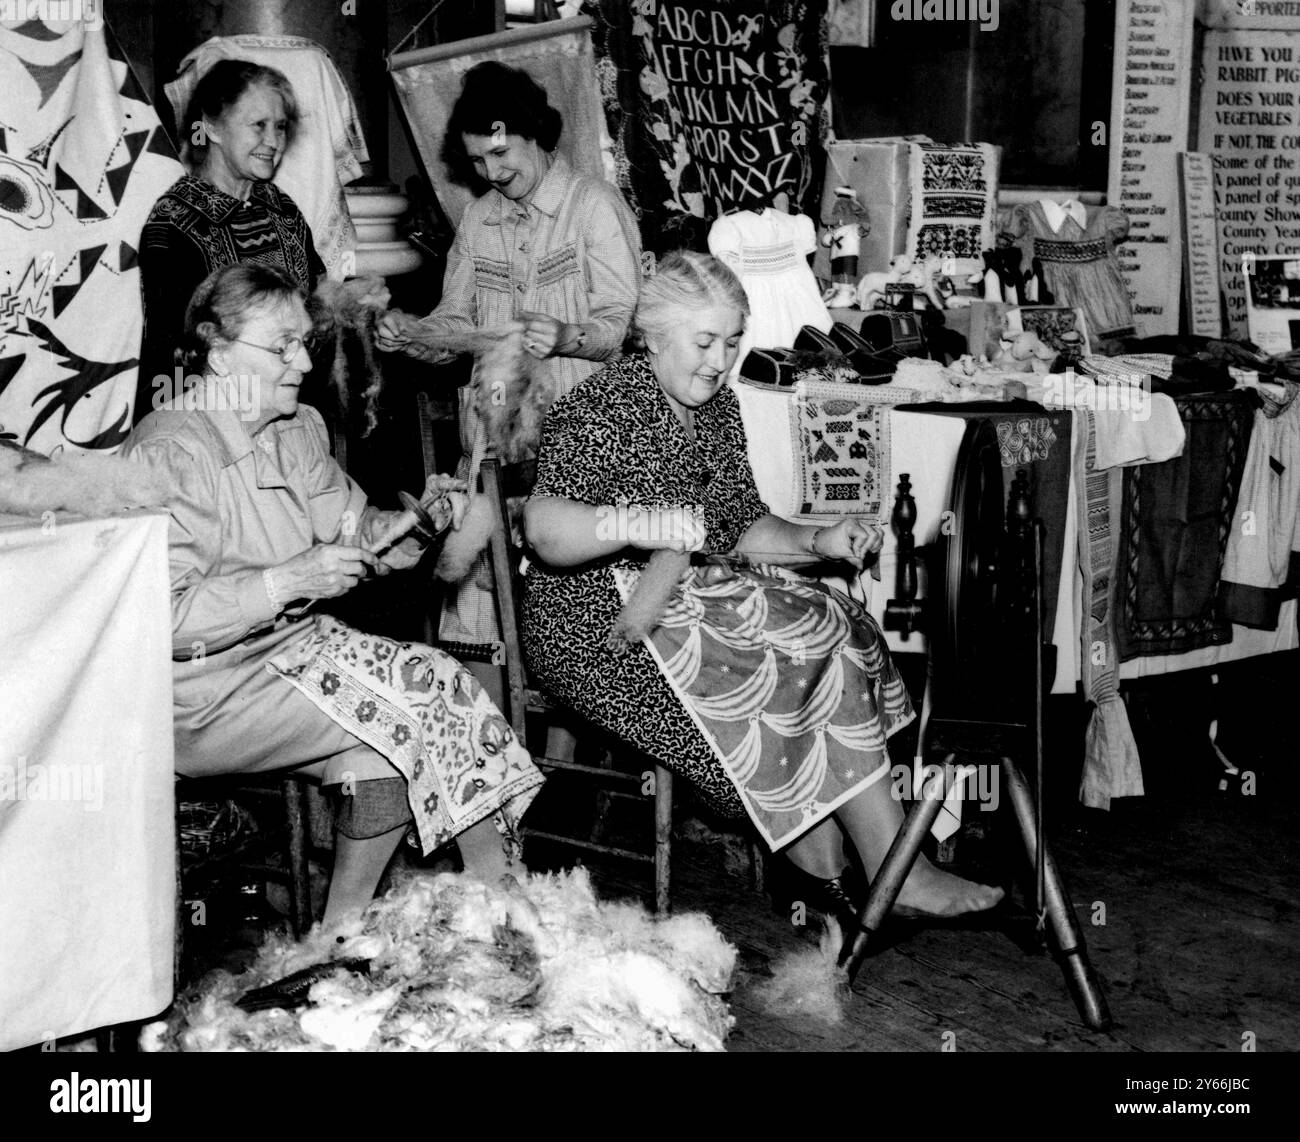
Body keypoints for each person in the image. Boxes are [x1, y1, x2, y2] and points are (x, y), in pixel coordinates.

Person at [521, 251, 1003, 927]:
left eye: (731, 342)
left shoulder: (715, 407)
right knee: (780, 653)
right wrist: (635, 522)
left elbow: (741, 522)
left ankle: (866, 863)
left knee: (835, 622)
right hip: (598, 622)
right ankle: (826, 861)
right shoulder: (598, 407)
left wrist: (821, 540)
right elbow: (543, 531)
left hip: (685, 600)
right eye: (704, 342)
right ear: (651, 335)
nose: (720, 361)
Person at [124, 263, 544, 931]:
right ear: (217, 349)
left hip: (292, 658)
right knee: (433, 684)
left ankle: (337, 932)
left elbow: (353, 530)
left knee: (385, 751)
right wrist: (289, 581)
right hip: (200, 692)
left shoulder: (298, 429)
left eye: (303, 343)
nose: (300, 360)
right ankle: (505, 903)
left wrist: (412, 526)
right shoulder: (170, 451)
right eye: (280, 345)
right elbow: (161, 622)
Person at [136, 59, 381, 424]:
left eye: (280, 127)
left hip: (288, 416)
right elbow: (180, 354)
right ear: (213, 128)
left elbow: (311, 306)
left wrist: (353, 303)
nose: (273, 141)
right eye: (259, 126)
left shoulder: (281, 209)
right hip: (211, 428)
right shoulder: (173, 225)